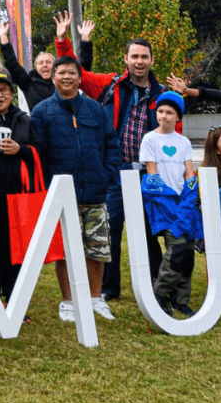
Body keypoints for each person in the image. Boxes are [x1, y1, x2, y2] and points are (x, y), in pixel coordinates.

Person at [54, 17, 166, 302]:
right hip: (116, 172)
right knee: (110, 230)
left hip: (148, 174)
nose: (139, 61)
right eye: (134, 56)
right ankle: (108, 288)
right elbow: (74, 72)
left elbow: (171, 135)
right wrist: (63, 41)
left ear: (152, 60)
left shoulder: (162, 94)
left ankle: (157, 286)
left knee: (150, 229)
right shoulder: (111, 85)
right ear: (126, 59)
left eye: (144, 57)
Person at [29, 56, 119, 322]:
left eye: (71, 73)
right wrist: (48, 187)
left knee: (97, 249)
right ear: (52, 77)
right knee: (66, 250)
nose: (66, 77)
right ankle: (68, 301)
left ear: (80, 78)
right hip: (61, 194)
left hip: (95, 192)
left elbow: (111, 145)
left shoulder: (95, 109)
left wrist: (106, 175)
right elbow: (39, 153)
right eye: (61, 73)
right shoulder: (42, 111)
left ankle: (95, 298)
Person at [138, 91, 201, 317]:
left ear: (178, 117)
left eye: (169, 112)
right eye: (160, 111)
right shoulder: (150, 139)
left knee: (188, 250)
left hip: (184, 204)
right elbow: (152, 175)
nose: (163, 116)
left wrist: (188, 201)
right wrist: (171, 205)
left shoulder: (183, 141)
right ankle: (160, 294)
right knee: (177, 246)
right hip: (162, 202)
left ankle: (180, 300)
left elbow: (189, 174)